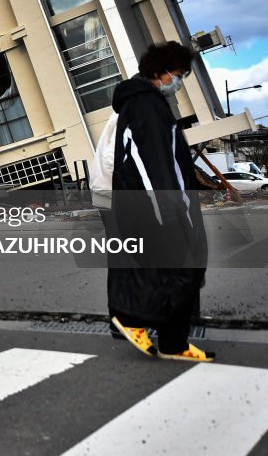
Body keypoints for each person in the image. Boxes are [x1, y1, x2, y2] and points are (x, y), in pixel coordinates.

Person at [108, 42, 213, 362]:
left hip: (159, 204)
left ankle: (168, 339)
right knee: (181, 270)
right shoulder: (145, 105)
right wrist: (168, 209)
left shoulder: (149, 103)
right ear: (159, 72)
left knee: (173, 270)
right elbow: (149, 161)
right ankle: (139, 324)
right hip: (158, 207)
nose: (178, 82)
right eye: (177, 75)